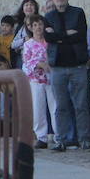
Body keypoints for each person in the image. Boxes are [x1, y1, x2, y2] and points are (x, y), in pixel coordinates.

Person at [44, 0, 90, 150]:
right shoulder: (48, 17)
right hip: (57, 66)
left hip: (77, 65)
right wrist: (66, 35)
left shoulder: (78, 13)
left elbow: (79, 36)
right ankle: (62, 140)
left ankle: (84, 138)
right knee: (61, 106)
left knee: (81, 104)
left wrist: (58, 36)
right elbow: (48, 38)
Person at [21, 16, 56, 148]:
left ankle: (58, 135)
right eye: (35, 25)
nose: (38, 27)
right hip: (36, 79)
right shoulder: (28, 44)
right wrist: (39, 64)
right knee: (38, 107)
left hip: (51, 78)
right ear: (31, 27)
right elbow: (27, 61)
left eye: (40, 24)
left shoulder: (50, 41)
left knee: (55, 106)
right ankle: (41, 136)